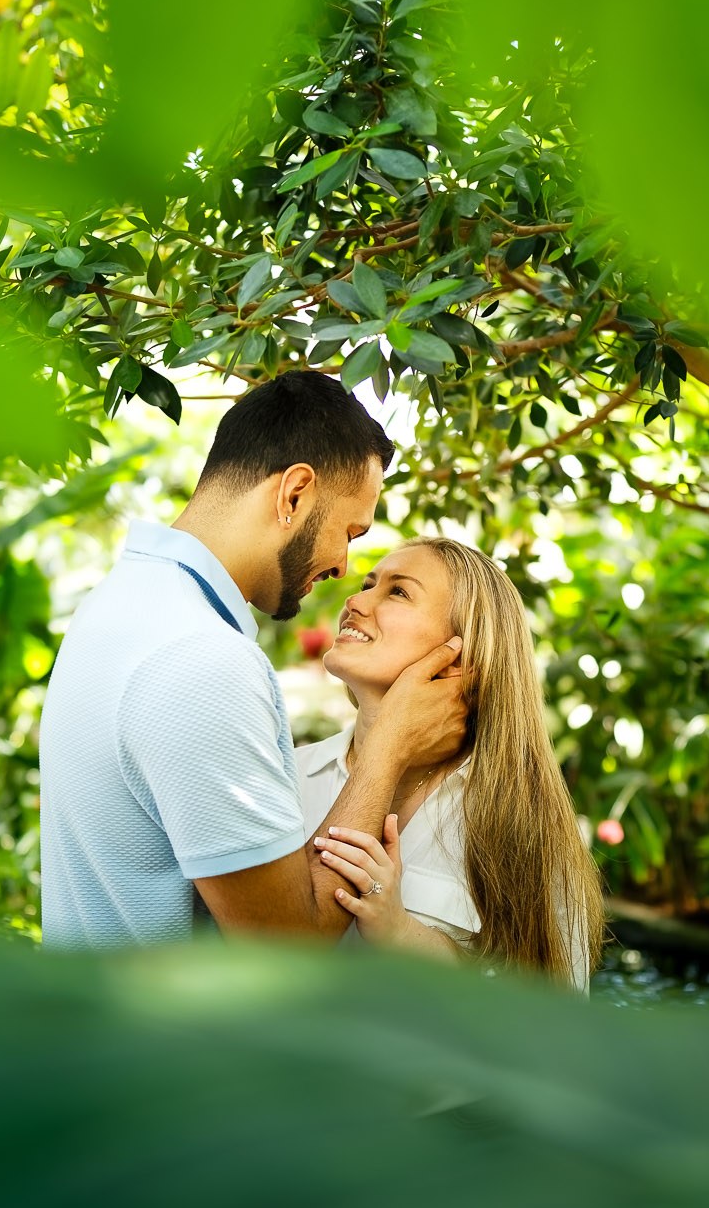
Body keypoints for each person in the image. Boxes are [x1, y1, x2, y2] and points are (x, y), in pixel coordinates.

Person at [37, 371, 467, 947]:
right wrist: (390, 745)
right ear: (294, 494)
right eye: (349, 531)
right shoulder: (204, 659)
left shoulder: (119, 602)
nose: (343, 566)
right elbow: (288, 949)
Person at [299, 538, 604, 991]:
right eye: (368, 584)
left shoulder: (524, 821)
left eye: (397, 592)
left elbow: (551, 1021)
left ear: (463, 655)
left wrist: (401, 932)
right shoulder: (287, 776)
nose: (356, 600)